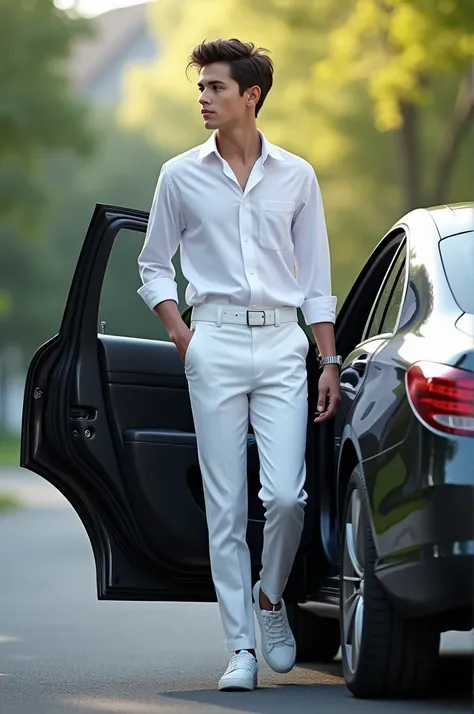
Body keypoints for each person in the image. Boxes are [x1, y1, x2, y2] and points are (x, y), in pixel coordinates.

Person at [137, 38, 341, 692]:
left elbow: (315, 280)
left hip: (284, 345)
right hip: (214, 342)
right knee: (224, 508)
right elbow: (151, 265)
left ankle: (270, 600)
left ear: (250, 96)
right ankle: (239, 650)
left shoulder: (297, 176)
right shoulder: (179, 175)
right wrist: (181, 335)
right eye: (200, 88)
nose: (203, 97)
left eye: (215, 87)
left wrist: (328, 357)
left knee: (285, 497)